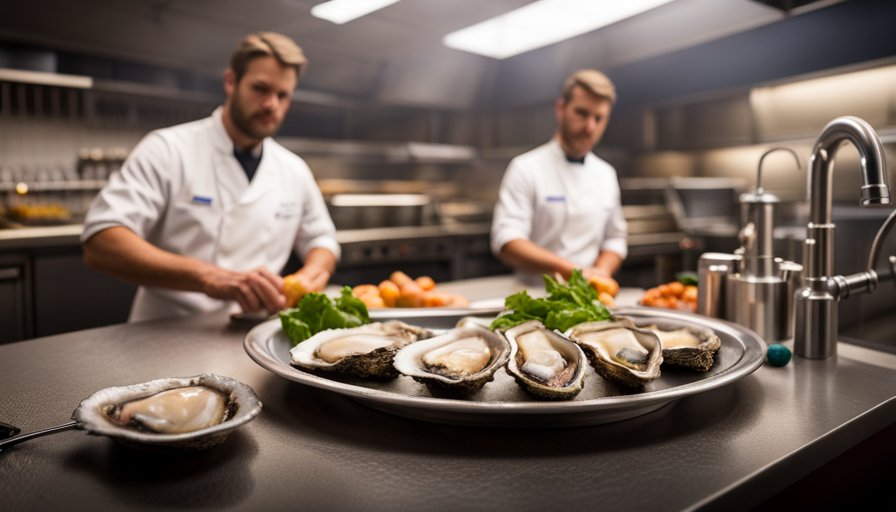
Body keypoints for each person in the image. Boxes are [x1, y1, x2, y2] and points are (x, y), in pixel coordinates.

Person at [81, 32, 340, 321]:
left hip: (256, 331)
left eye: (283, 95)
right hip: (165, 332)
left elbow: (322, 239)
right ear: (231, 81)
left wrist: (312, 274)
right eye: (260, 88)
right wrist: (208, 276)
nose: (271, 105)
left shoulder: (293, 169)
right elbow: (101, 240)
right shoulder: (168, 149)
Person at [490, 69, 627, 287]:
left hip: (588, 299)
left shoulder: (606, 174)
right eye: (582, 113)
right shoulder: (525, 168)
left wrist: (601, 272)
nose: (590, 127)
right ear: (561, 109)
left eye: (598, 118)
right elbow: (507, 241)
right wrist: (571, 271)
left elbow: (615, 239)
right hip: (534, 296)